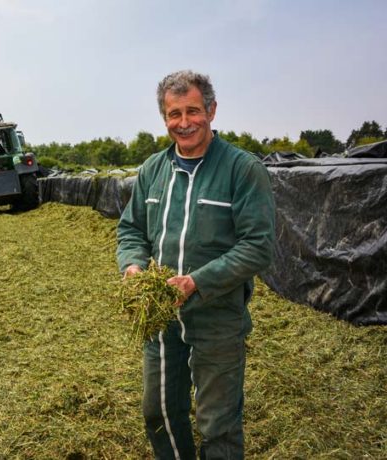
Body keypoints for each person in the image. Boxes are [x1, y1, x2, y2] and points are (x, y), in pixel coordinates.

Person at [116, 70, 275, 459]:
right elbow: (131, 230)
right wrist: (134, 268)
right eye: (174, 114)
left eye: (192, 111)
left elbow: (258, 246)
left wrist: (195, 282)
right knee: (159, 413)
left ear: (212, 110)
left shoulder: (241, 169)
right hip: (161, 317)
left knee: (217, 424)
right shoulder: (153, 170)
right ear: (164, 118)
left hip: (217, 318)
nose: (183, 123)